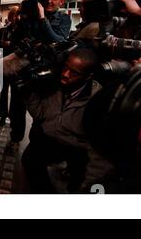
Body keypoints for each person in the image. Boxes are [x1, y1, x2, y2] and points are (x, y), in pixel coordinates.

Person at [20, 48, 114, 193]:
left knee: (79, 185)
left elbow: (99, 153)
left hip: (79, 148)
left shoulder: (97, 101)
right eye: (65, 67)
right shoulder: (52, 84)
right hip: (52, 139)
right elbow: (39, 114)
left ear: (88, 76)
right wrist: (28, 93)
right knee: (30, 160)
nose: (65, 74)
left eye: (74, 73)